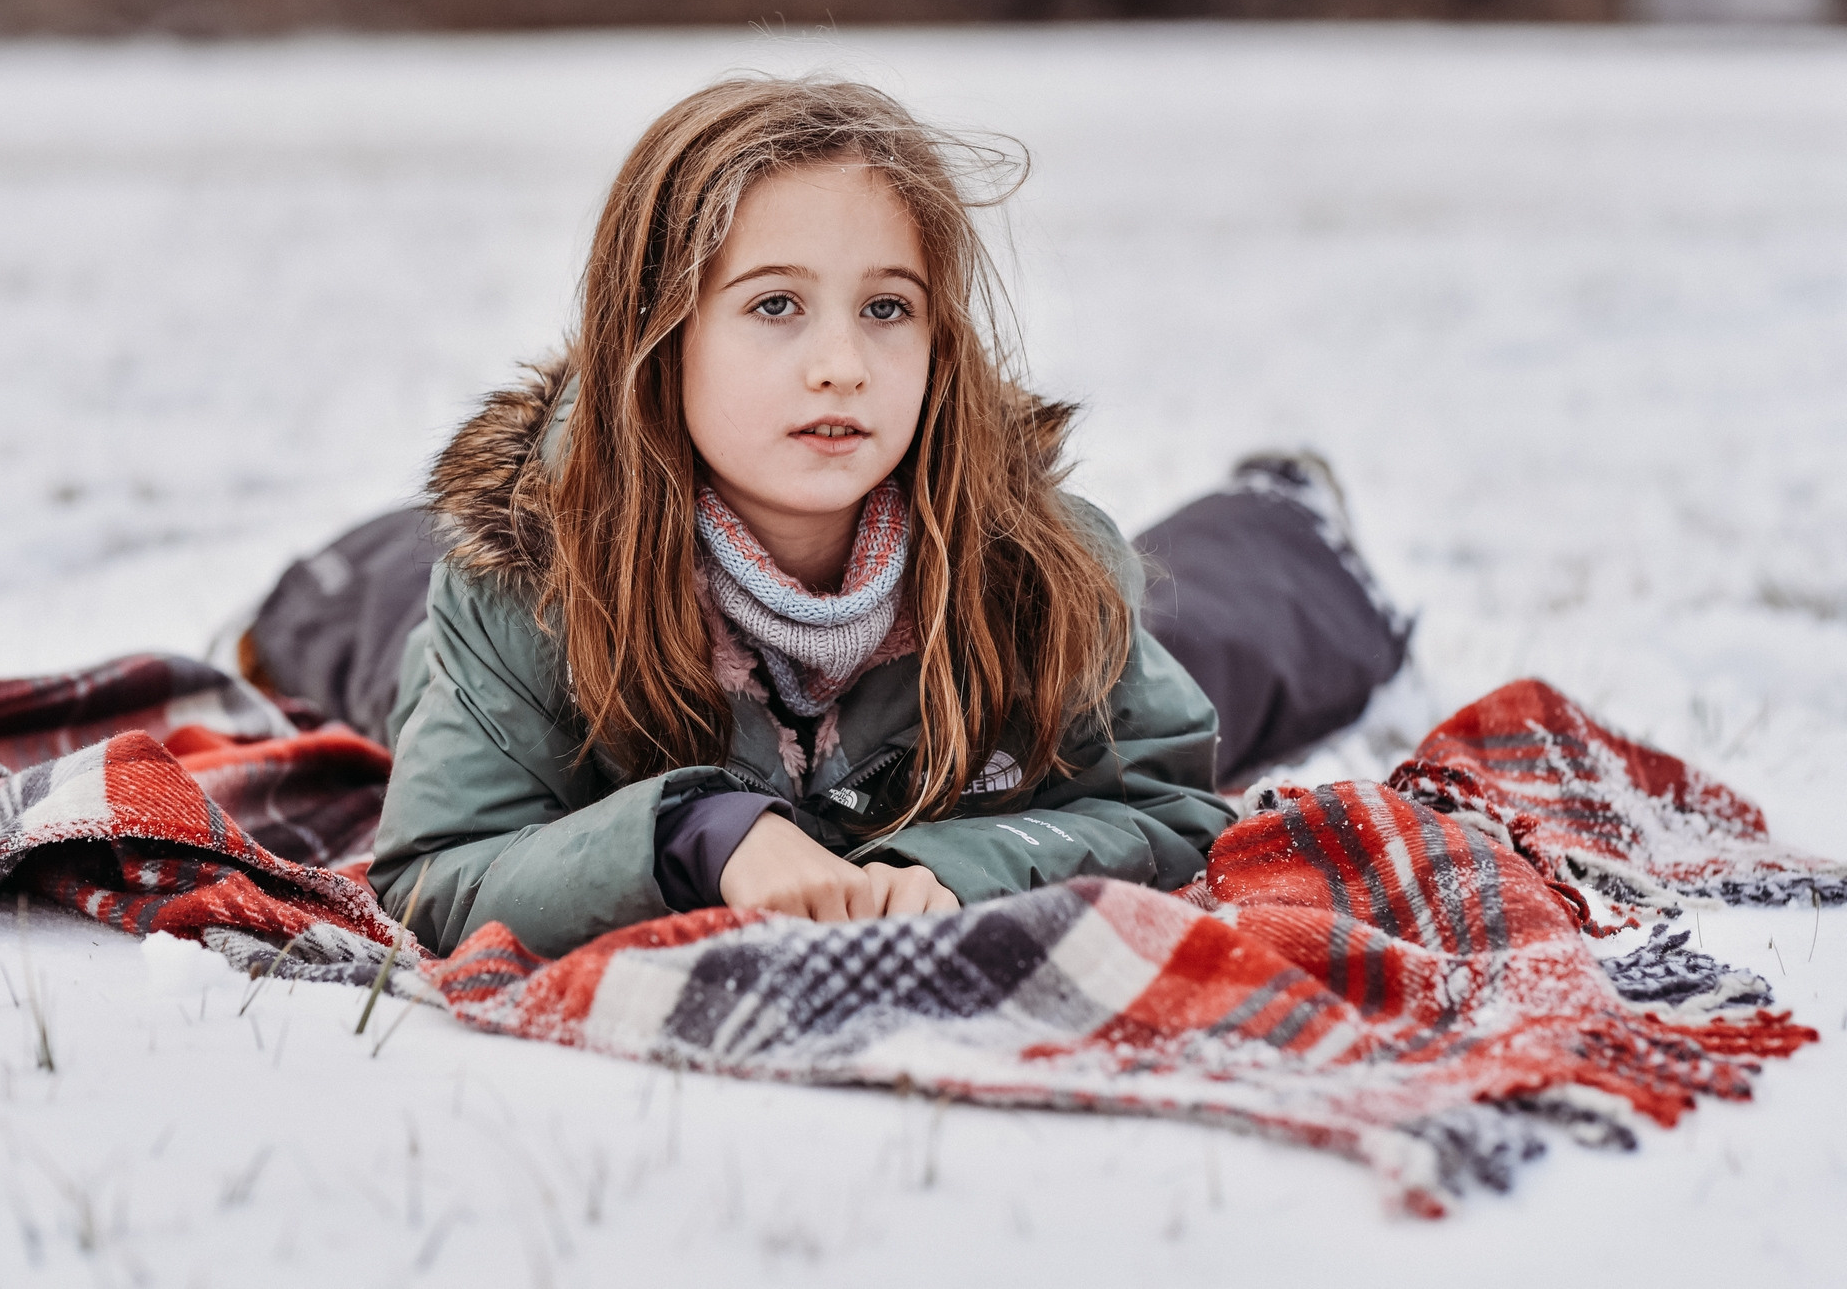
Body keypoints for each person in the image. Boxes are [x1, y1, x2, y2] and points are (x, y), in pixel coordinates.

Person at [236, 78, 1410, 960]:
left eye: (887, 308)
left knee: (1210, 639)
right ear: (657, 337)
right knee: (371, 612)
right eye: (776, 306)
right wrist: (691, 832)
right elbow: (438, 869)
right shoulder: (525, 578)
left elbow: (1163, 805)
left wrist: (957, 863)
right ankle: (309, 589)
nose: (842, 364)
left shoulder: (1034, 565)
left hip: (998, 600)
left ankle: (1280, 514)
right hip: (532, 568)